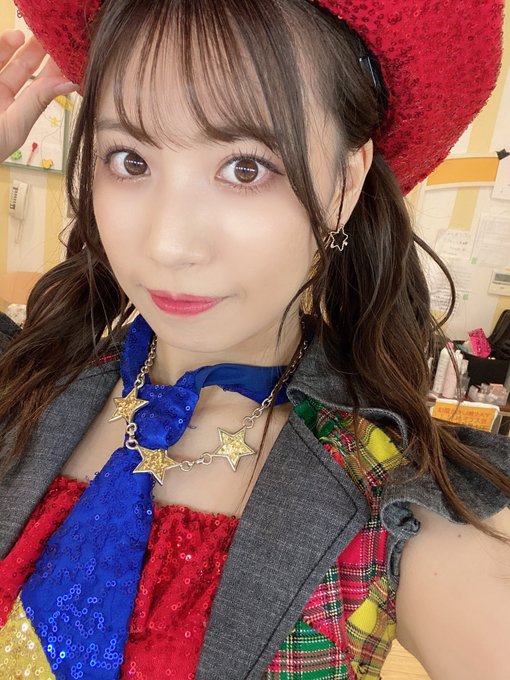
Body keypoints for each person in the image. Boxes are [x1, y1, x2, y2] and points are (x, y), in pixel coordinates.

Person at [0, 0, 509, 678]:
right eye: (130, 159)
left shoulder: (389, 501)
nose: (168, 244)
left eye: (245, 168)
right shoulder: (33, 381)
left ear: (345, 182)